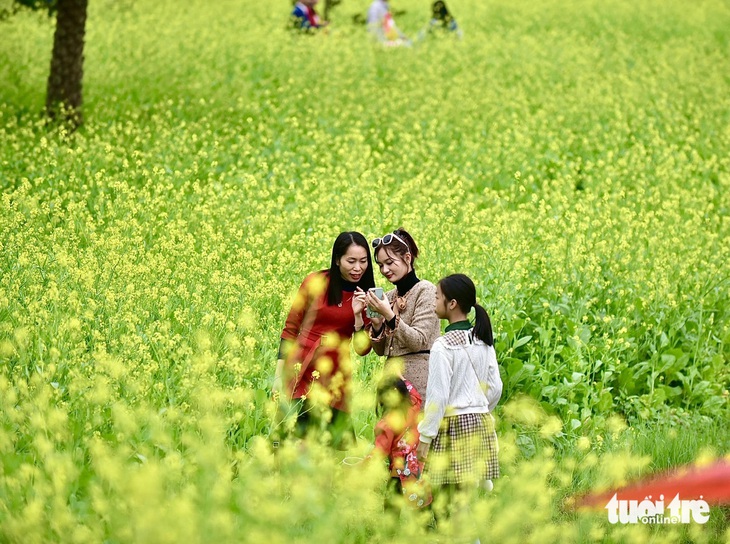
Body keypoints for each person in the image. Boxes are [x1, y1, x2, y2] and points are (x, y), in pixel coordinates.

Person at [274, 231, 375, 448]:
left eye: (363, 261)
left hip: (335, 374)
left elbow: (362, 349)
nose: (358, 268)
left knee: (327, 446)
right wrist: (278, 377)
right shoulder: (315, 281)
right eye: (351, 261)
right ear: (337, 260)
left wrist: (358, 315)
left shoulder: (367, 296)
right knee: (296, 442)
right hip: (302, 367)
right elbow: (290, 330)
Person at [416, 274, 502, 521]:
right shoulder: (483, 341)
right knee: (465, 504)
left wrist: (425, 436)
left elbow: (438, 396)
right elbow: (495, 387)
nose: (434, 301)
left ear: (451, 303)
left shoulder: (443, 346)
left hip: (454, 428)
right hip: (480, 424)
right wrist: (479, 408)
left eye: (437, 297)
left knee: (447, 508)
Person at [364, 229, 440, 399]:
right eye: (381, 265)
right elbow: (381, 350)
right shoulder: (389, 296)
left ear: (407, 258)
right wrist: (377, 325)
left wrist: (389, 315)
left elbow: (418, 341)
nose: (385, 269)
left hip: (419, 382)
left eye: (390, 262)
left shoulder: (426, 290)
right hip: (391, 384)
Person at [370, 375, 432, 511]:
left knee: (391, 507)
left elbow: (380, 452)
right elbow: (414, 392)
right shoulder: (414, 405)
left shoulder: (386, 424)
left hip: (398, 471)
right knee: (420, 507)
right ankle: (426, 530)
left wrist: (360, 465)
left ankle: (389, 532)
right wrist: (401, 377)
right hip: (416, 465)